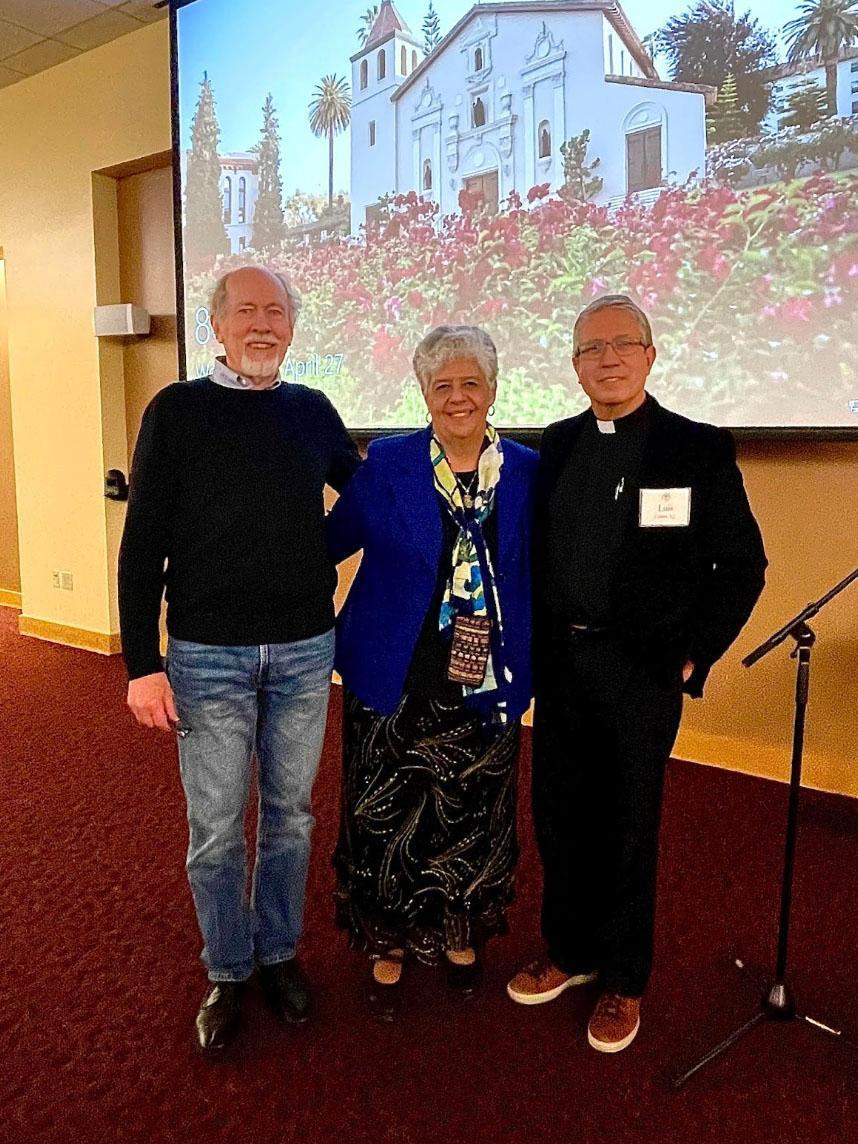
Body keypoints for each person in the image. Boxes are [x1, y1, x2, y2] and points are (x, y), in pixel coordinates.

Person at [507, 295, 767, 1053]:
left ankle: (623, 979)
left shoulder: (696, 449)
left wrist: (695, 652)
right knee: (558, 815)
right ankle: (571, 951)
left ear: (650, 356)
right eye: (592, 348)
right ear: (574, 365)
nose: (608, 359)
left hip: (641, 673)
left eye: (624, 344)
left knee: (626, 826)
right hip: (563, 665)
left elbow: (742, 566)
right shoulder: (554, 446)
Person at [118, 266, 360, 1053]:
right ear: (216, 327)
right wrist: (139, 664)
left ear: (292, 326)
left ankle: (278, 954)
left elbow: (361, 505)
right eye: (246, 311)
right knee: (218, 827)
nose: (262, 323)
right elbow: (143, 540)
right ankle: (227, 967)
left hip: (302, 652)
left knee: (291, 818)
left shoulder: (314, 412)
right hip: (204, 657)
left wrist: (308, 555)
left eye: (276, 312)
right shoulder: (177, 411)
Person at [327, 325, 538, 1019]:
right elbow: (328, 544)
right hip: (394, 673)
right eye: (442, 384)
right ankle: (385, 941)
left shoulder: (530, 473)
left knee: (472, 813)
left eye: (470, 382)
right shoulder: (389, 463)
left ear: (493, 389)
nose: (457, 397)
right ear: (422, 392)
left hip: (482, 679)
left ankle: (457, 934)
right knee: (382, 815)